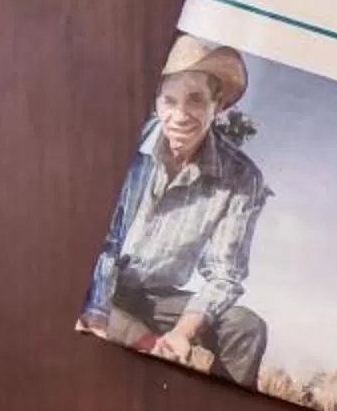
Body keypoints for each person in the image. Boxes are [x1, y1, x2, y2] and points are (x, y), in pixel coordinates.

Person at [80, 35, 272, 386]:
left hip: (161, 299)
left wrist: (183, 331)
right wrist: (121, 325)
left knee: (246, 328)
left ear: (219, 104)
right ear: (156, 102)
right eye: (169, 100)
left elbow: (225, 274)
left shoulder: (243, 179)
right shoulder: (124, 138)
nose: (180, 115)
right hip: (97, 279)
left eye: (196, 99)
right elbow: (102, 242)